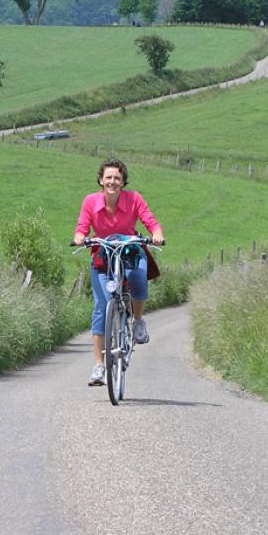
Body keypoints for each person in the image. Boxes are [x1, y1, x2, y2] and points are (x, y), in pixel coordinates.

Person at [73, 159, 165, 386]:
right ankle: (98, 366)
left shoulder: (134, 199)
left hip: (130, 250)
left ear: (123, 182)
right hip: (103, 255)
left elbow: (150, 221)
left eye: (117, 178)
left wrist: (156, 233)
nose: (112, 182)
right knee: (101, 307)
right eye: (108, 177)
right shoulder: (90, 201)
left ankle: (138, 321)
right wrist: (80, 238)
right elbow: (82, 227)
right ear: (100, 180)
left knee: (138, 280)